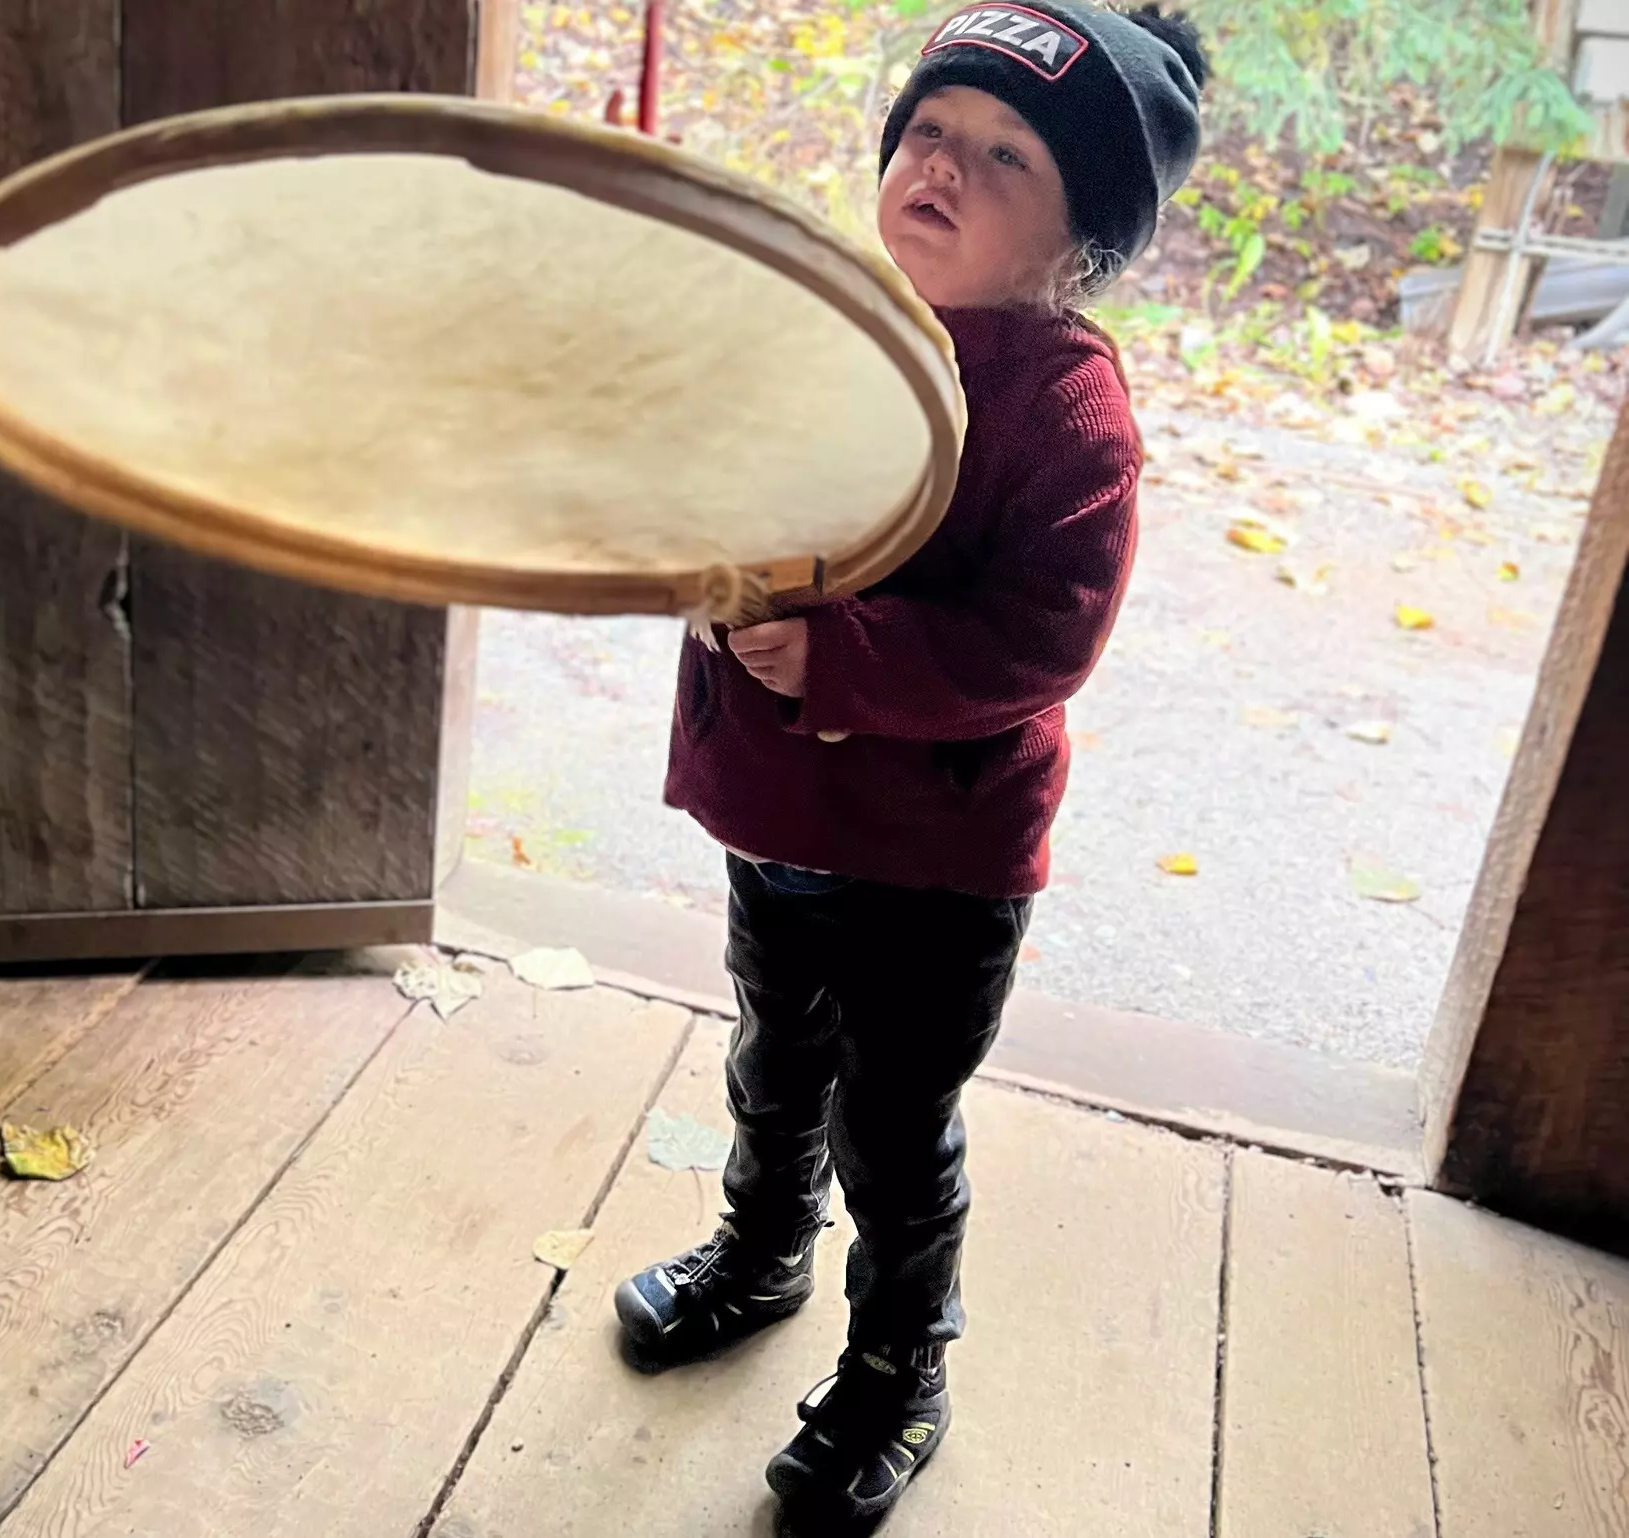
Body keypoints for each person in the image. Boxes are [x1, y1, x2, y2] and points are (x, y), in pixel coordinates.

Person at [614, 2, 1211, 1523]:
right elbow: (725, 483)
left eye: (1005, 155)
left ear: (1080, 237)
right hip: (785, 807)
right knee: (773, 1058)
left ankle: (895, 1363)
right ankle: (758, 1254)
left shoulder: (1067, 410)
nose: (944, 165)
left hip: (937, 851)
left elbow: (1043, 640)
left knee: (891, 1118)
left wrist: (844, 657)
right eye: (928, 132)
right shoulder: (833, 326)